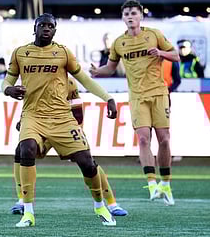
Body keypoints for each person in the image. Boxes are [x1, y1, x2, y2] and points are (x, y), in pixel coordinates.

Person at [3, 13, 118, 228]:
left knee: (86, 162)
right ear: (34, 28)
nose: (46, 29)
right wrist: (8, 89)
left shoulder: (63, 52)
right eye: (42, 25)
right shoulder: (21, 53)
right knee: (25, 149)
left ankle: (100, 205)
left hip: (62, 118)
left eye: (50, 26)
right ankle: (27, 211)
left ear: (55, 31)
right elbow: (7, 81)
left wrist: (108, 98)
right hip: (33, 115)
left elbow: (84, 79)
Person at [90, 0, 180, 206]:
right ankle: (151, 184)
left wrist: (161, 53)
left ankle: (165, 183)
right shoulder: (119, 43)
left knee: (164, 139)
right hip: (137, 96)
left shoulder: (154, 34)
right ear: (123, 18)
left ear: (141, 16)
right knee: (143, 139)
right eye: (127, 14)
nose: (130, 17)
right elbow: (110, 68)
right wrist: (97, 72)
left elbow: (175, 56)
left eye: (134, 13)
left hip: (159, 93)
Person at [10, 77, 128, 217]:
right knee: (21, 151)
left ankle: (112, 204)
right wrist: (22, 120)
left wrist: (74, 133)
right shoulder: (33, 75)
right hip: (39, 127)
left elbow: (77, 112)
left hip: (64, 126)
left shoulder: (68, 82)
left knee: (87, 161)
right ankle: (22, 201)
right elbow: (31, 105)